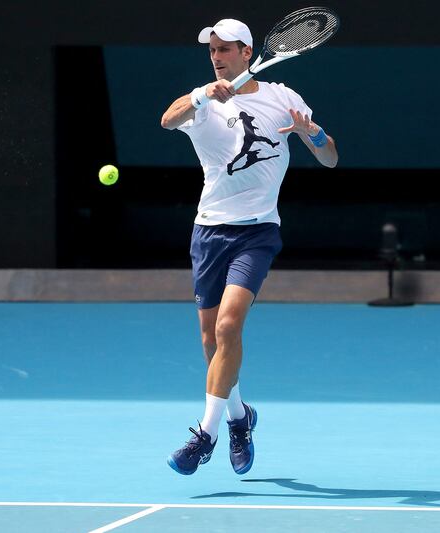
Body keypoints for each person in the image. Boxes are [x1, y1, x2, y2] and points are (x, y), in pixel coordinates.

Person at [160, 18, 338, 476]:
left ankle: (206, 435)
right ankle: (241, 417)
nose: (217, 57)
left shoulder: (282, 96)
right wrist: (202, 95)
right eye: (211, 50)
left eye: (224, 49)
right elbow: (168, 118)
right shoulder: (203, 99)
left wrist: (309, 134)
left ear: (247, 52)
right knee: (210, 340)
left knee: (228, 325)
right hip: (209, 231)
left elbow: (330, 155)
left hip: (257, 233)